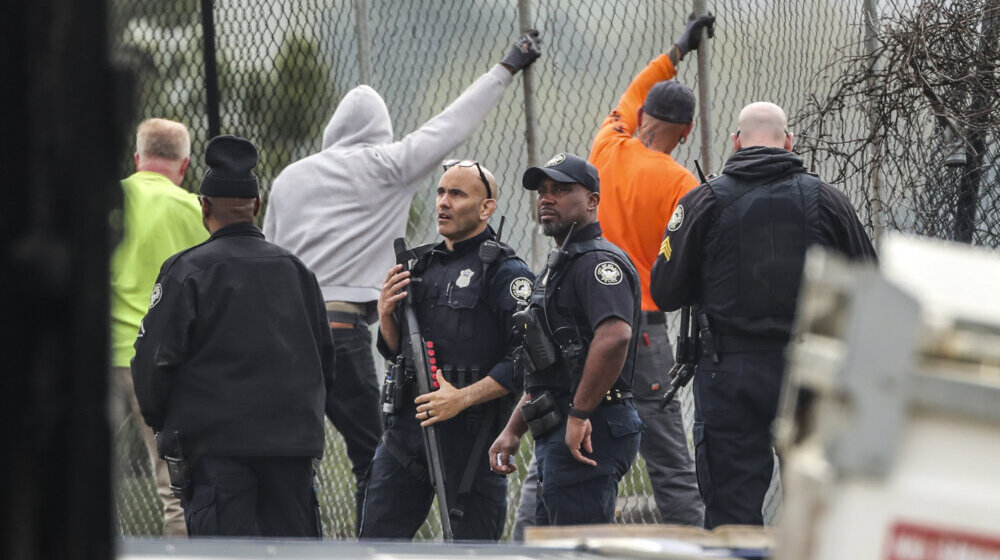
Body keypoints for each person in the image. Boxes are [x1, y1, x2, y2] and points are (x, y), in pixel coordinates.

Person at [261, 31, 542, 527]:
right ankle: (373, 545)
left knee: (288, 457)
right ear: (382, 130)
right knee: (369, 452)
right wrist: (508, 65)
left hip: (283, 336)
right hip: (342, 332)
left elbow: (270, 261)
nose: (442, 201)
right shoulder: (387, 165)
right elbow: (451, 124)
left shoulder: (289, 178)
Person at [650, 102, 877, 529]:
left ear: (735, 142)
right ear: (789, 141)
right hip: (811, 371)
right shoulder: (828, 201)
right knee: (814, 512)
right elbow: (869, 285)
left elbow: (664, 291)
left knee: (732, 514)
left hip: (727, 373)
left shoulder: (703, 202)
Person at [131, 135, 335, 537]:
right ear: (256, 207)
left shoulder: (187, 271)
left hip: (215, 448)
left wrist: (162, 423)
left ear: (203, 207)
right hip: (292, 447)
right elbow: (326, 361)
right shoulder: (297, 271)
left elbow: (154, 360)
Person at [358, 160, 533, 541]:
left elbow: (525, 359)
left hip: (472, 444)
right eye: (440, 192)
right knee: (374, 544)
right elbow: (396, 350)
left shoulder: (506, 272)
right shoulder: (420, 265)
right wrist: (387, 314)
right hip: (406, 435)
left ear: (486, 207)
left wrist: (463, 397)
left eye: (457, 194)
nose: (443, 203)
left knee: (471, 549)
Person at [586, 14, 716, 526]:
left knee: (564, 434)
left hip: (590, 315)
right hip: (643, 325)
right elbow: (688, 261)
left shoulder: (607, 144)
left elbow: (635, 89)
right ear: (685, 134)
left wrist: (676, 51)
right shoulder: (681, 181)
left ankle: (530, 542)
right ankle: (700, 547)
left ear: (642, 117)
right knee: (668, 458)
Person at [490, 152, 643, 526]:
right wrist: (513, 429)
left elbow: (614, 336)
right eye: (543, 190)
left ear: (592, 200)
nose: (547, 198)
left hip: (593, 426)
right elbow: (548, 363)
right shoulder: (560, 265)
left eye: (561, 190)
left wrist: (579, 414)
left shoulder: (596, 263)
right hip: (563, 424)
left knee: (578, 546)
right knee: (551, 544)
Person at [109, 118, 207, 537]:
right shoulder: (196, 210)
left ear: (137, 158)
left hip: (105, 356)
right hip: (167, 367)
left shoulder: (108, 201)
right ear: (184, 165)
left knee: (83, 480)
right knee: (176, 491)